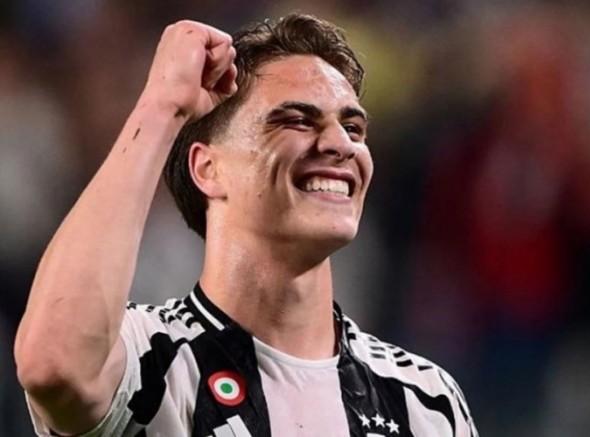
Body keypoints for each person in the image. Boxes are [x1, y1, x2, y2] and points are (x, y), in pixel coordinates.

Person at [15, 13, 478, 437]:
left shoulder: (425, 401)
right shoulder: (154, 360)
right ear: (209, 169)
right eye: (297, 120)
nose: (341, 144)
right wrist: (162, 107)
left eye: (353, 128)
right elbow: (54, 365)